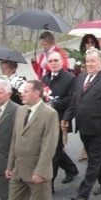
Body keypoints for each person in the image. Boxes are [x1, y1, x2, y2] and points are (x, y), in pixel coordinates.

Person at [5, 80, 60, 200]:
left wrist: (41, 170)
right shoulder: (21, 111)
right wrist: (10, 165)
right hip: (19, 168)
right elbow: (15, 139)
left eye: (26, 91)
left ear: (37, 93)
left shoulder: (49, 114)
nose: (22, 94)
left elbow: (49, 144)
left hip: (38, 171)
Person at [63, 49, 101, 200]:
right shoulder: (81, 77)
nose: (89, 64)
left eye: (93, 61)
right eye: (87, 61)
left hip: (99, 128)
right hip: (84, 127)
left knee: (93, 160)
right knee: (98, 157)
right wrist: (67, 117)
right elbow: (75, 100)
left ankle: (83, 193)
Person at [42, 52, 79, 186]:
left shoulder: (70, 79)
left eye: (56, 60)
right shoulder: (45, 78)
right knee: (54, 149)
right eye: (50, 61)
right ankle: (71, 169)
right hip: (47, 120)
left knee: (54, 151)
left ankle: (49, 185)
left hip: (61, 119)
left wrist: (55, 104)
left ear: (62, 62)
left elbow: (72, 99)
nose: (53, 63)